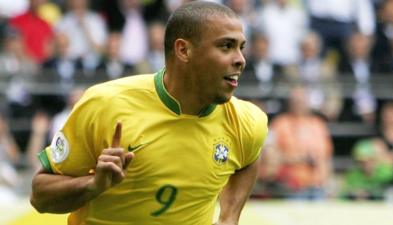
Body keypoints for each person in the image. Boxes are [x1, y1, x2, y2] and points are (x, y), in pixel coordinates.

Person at [30, 1, 269, 225]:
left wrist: (229, 217)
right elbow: (39, 196)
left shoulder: (247, 121)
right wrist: (93, 184)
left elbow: (250, 156)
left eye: (241, 48)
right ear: (183, 50)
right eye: (226, 46)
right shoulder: (106, 104)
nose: (240, 60)